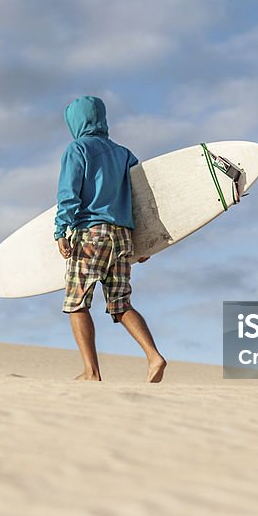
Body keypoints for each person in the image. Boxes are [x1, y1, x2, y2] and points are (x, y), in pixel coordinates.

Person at [54, 95, 167, 383]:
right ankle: (154, 356)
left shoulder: (77, 149)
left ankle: (91, 372)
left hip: (91, 234)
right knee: (121, 304)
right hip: (123, 236)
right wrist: (145, 242)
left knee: (77, 302)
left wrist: (60, 231)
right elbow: (142, 198)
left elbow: (69, 194)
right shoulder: (124, 154)